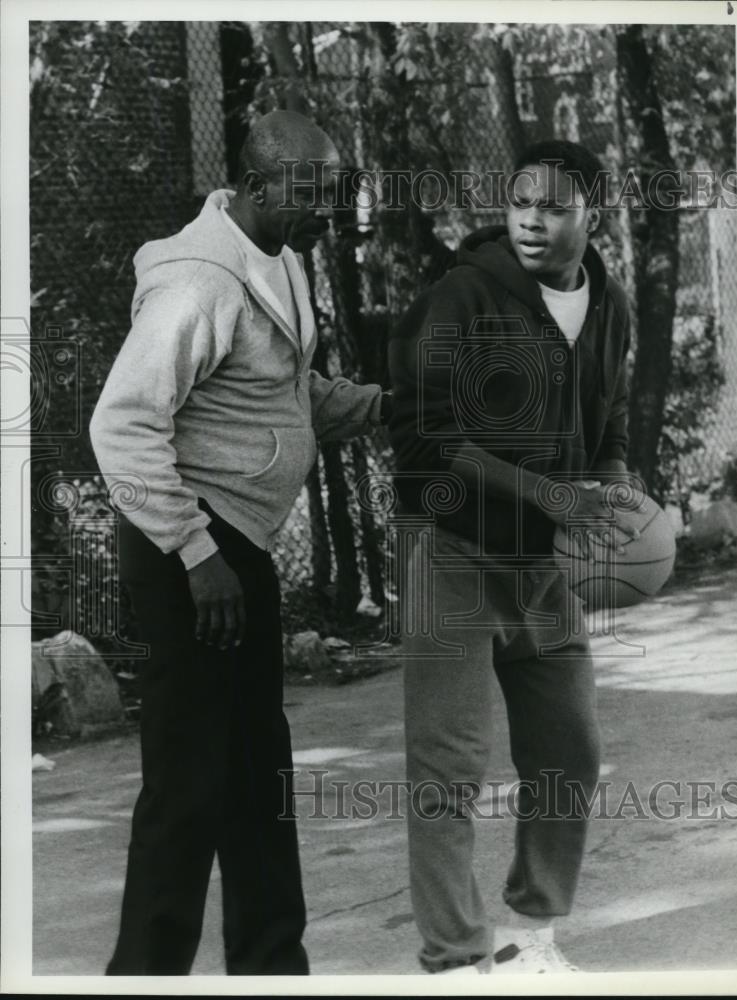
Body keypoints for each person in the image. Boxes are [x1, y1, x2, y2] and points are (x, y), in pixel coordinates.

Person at [90, 110, 391, 976]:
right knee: (188, 789)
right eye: (312, 194)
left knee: (260, 777)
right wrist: (195, 554)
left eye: (336, 196)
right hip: (189, 546)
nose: (327, 214)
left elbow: (286, 399)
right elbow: (123, 425)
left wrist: (382, 406)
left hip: (236, 547)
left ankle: (271, 971)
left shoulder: (282, 259)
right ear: (258, 187)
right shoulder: (198, 281)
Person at [387, 140, 639, 975]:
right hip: (450, 548)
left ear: (590, 215)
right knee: (448, 764)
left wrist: (611, 496)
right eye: (521, 202)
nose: (532, 219)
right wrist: (547, 494)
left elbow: (609, 427)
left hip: (539, 563)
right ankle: (454, 959)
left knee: (570, 747)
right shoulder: (463, 297)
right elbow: (423, 438)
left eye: (555, 206)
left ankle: (535, 938)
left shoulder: (611, 307)